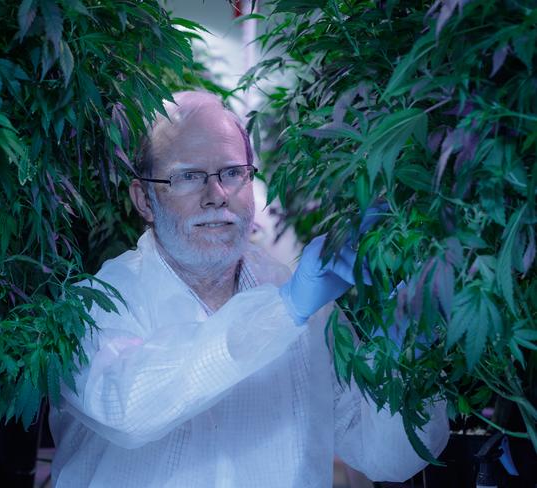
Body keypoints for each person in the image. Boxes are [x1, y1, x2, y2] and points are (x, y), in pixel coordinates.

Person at [49, 90, 449, 487]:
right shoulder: (96, 304)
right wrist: (284, 310)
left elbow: (385, 460)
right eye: (188, 176)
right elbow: (127, 408)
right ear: (145, 199)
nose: (216, 195)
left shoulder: (304, 303)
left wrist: (403, 356)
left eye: (231, 172)